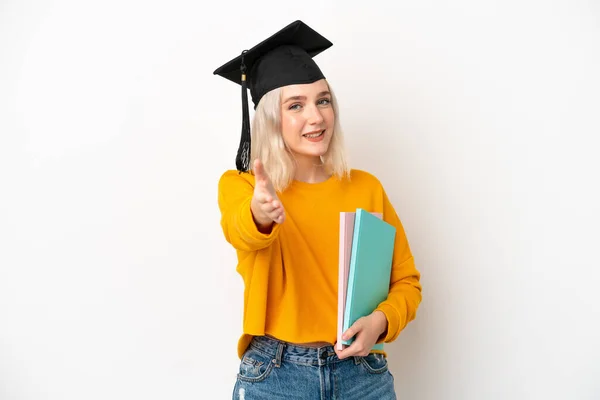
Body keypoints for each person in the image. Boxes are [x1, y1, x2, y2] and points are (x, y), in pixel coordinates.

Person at [214, 20, 422, 400]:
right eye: (296, 105)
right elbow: (240, 227)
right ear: (271, 120)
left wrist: (380, 321)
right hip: (276, 377)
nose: (316, 116)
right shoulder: (243, 187)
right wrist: (261, 212)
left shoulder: (365, 188)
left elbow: (406, 283)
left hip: (363, 376)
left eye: (322, 100)